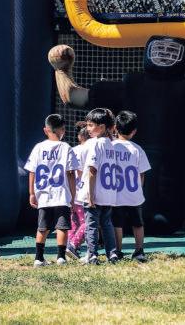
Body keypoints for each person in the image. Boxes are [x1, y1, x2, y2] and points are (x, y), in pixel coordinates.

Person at [25, 114, 78, 267]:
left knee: (42, 227)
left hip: (44, 194)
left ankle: (38, 258)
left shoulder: (38, 147)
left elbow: (32, 171)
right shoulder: (66, 147)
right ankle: (61, 257)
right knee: (62, 227)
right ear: (63, 130)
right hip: (61, 194)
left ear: (45, 130)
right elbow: (70, 173)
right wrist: (73, 195)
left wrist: (31, 193)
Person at [112, 111, 151, 263]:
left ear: (115, 128)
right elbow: (142, 173)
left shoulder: (111, 147)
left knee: (117, 223)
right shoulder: (137, 149)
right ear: (134, 131)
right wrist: (139, 189)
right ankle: (139, 250)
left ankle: (118, 251)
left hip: (115, 193)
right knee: (138, 223)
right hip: (134, 194)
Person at [82, 108, 119, 264]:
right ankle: (112, 253)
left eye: (91, 125)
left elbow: (92, 170)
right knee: (107, 224)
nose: (88, 129)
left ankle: (92, 255)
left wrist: (90, 195)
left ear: (102, 127)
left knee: (91, 225)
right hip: (108, 193)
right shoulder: (111, 144)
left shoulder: (95, 144)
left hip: (95, 193)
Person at [66, 125, 90, 261]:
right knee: (86, 221)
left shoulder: (73, 150)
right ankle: (74, 245)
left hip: (71, 190)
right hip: (82, 191)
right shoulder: (89, 150)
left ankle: (70, 246)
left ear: (79, 137)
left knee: (74, 221)